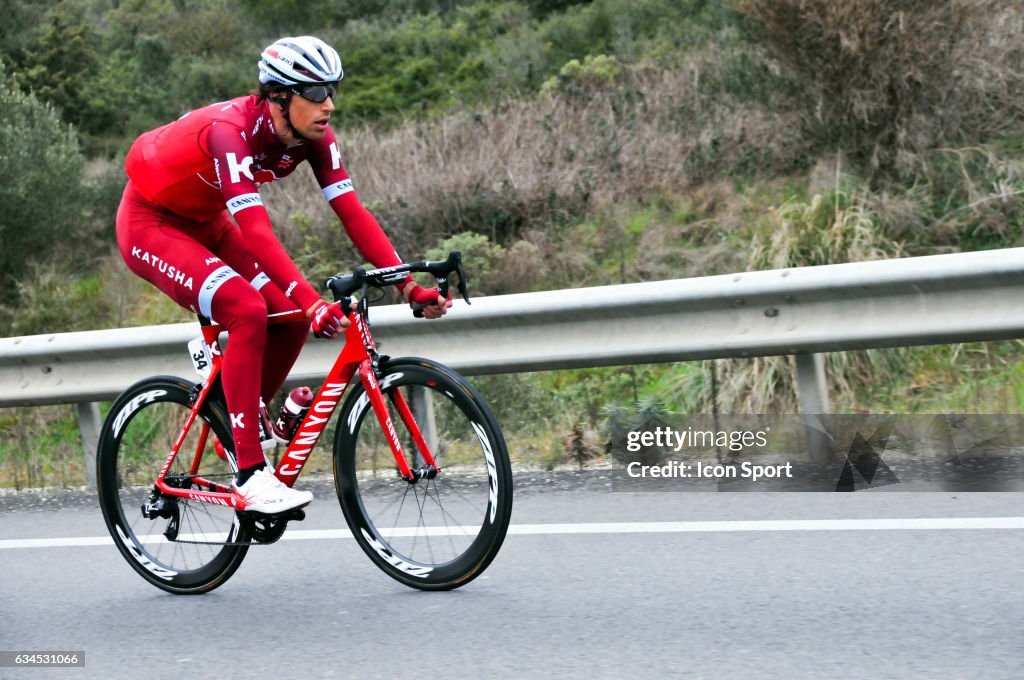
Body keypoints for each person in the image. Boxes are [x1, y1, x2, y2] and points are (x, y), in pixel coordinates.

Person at [116, 36, 451, 514]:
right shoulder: (230, 132)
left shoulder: (314, 137)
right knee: (246, 307)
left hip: (207, 224)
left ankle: (241, 423)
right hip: (151, 225)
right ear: (279, 96)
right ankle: (250, 474)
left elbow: (352, 212)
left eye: (331, 90)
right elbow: (255, 231)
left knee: (290, 315)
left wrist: (408, 285)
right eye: (315, 93)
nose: (329, 104)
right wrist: (315, 298)